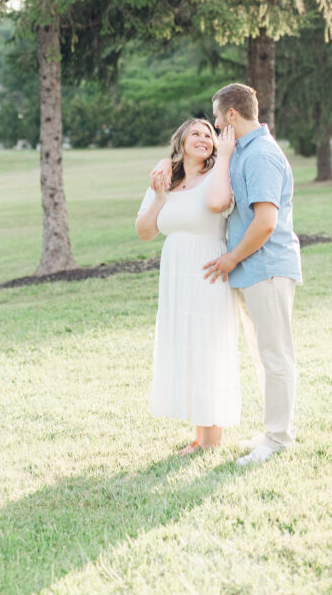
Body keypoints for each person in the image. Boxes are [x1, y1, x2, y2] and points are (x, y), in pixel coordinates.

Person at [152, 83, 302, 466]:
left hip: (265, 266)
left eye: (217, 118)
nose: (217, 126)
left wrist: (231, 258)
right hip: (253, 269)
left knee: (275, 354)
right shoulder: (243, 152)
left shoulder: (261, 155)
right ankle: (272, 430)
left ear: (231, 115)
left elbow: (266, 222)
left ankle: (279, 438)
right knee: (261, 353)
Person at [136, 118, 240, 454]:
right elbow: (145, 232)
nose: (203, 138)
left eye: (208, 134)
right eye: (195, 133)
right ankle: (200, 434)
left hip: (208, 267)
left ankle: (213, 439)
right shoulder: (164, 181)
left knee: (207, 347)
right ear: (180, 142)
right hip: (176, 272)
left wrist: (223, 158)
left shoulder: (218, 174)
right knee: (188, 347)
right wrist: (159, 196)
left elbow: (220, 205)